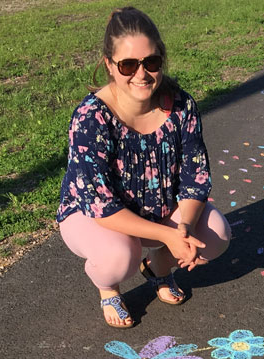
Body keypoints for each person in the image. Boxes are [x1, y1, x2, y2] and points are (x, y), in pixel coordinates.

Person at [56, 7, 231, 327]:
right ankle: (108, 288)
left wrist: (185, 229)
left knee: (216, 235)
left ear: (161, 59)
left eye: (151, 62)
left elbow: (195, 177)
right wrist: (168, 233)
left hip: (158, 208)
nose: (141, 74)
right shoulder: (91, 117)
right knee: (121, 255)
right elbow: (102, 205)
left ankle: (158, 269)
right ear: (109, 65)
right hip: (97, 218)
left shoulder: (181, 105)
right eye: (127, 64)